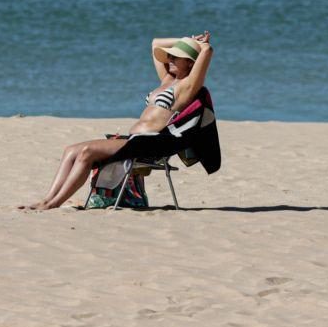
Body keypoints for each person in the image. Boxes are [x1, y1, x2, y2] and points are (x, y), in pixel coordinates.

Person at [19, 32, 214, 210]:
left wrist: (202, 46)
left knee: (86, 153)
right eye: (169, 56)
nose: (169, 59)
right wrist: (188, 39)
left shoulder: (187, 87)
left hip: (153, 143)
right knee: (70, 150)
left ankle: (54, 204)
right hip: (136, 141)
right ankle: (47, 199)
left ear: (190, 63)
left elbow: (208, 51)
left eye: (175, 57)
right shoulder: (166, 80)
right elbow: (155, 43)